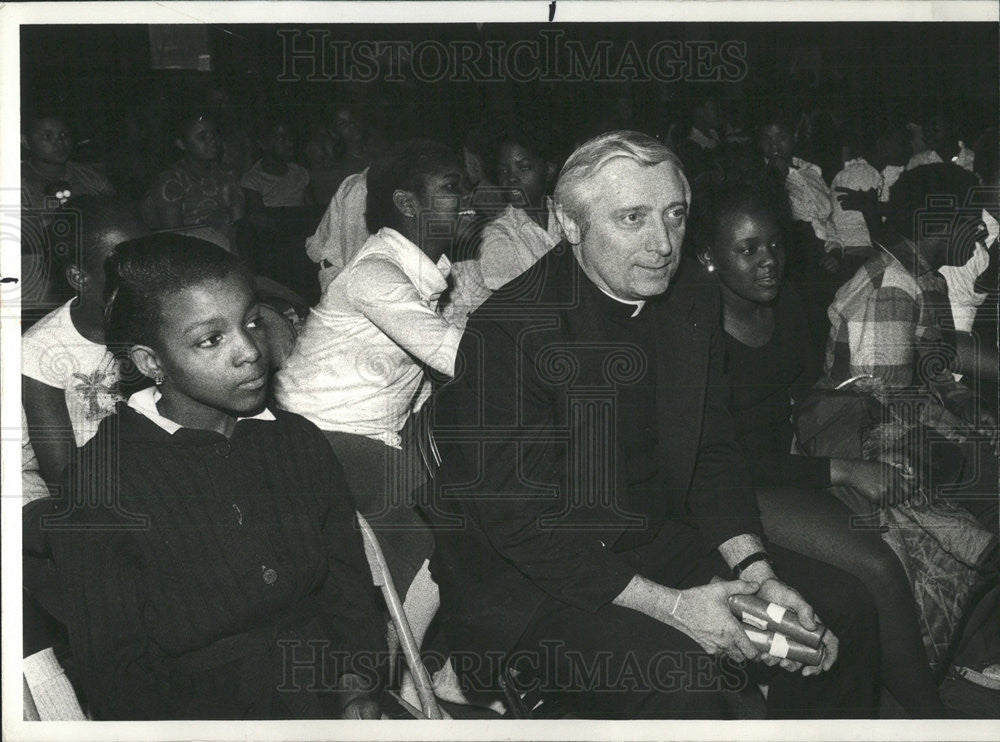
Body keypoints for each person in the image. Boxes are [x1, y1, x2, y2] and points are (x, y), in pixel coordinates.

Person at [427, 131, 880, 719]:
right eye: (632, 218)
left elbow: (713, 451)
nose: (662, 243)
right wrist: (676, 608)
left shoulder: (690, 293)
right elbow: (523, 526)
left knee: (836, 608)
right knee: (682, 679)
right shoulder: (509, 332)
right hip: (528, 587)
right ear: (569, 224)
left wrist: (755, 570)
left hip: (648, 541)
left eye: (674, 215)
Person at [22, 235, 384, 720]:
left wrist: (354, 686)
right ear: (151, 362)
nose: (251, 351)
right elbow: (116, 674)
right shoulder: (103, 482)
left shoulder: (296, 442)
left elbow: (349, 589)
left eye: (251, 322)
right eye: (210, 339)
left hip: (323, 696)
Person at [692, 175, 948, 716]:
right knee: (875, 568)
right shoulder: (697, 333)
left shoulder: (780, 304)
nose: (769, 261)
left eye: (776, 244)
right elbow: (721, 456)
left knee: (909, 499)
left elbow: (802, 392)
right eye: (748, 249)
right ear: (711, 259)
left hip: (790, 460)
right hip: (737, 483)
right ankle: (930, 715)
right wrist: (841, 470)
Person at [275, 140, 479, 602]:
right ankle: (397, 660)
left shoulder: (416, 272)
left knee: (470, 499)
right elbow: (456, 357)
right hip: (320, 435)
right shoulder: (377, 274)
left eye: (467, 187)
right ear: (407, 203)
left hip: (374, 431)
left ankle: (422, 660)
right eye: (452, 188)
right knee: (436, 540)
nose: (469, 200)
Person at [822, 163, 997, 528]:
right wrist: (960, 432)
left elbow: (933, 362)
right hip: (870, 449)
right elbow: (883, 403)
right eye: (971, 219)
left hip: (899, 427)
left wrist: (965, 404)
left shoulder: (923, 278)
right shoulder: (892, 289)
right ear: (940, 226)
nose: (981, 228)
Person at [22, 196, 148, 488]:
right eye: (123, 271)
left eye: (146, 261)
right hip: (91, 482)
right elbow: (63, 475)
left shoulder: (158, 322)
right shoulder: (39, 350)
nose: (144, 279)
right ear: (80, 277)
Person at [476, 117, 563, 291]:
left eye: (523, 168)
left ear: (549, 170)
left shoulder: (568, 215)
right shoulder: (499, 235)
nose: (511, 178)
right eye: (503, 171)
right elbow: (515, 308)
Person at [148, 112, 245, 248]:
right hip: (193, 254)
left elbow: (239, 224)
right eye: (202, 137)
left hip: (229, 249)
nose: (212, 140)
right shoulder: (171, 180)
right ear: (181, 144)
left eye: (214, 134)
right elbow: (174, 238)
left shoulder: (227, 174)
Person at [21, 112, 115, 209]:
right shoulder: (16, 182)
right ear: (25, 141)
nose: (60, 142)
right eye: (47, 136)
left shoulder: (91, 177)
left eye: (64, 134)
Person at [241, 118, 312, 211]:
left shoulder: (300, 173)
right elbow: (260, 218)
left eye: (290, 137)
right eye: (281, 138)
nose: (289, 143)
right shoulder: (253, 180)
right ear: (262, 143)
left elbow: (314, 212)